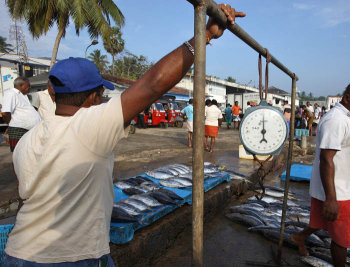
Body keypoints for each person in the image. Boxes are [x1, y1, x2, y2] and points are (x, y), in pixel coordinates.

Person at [4, 5, 245, 266]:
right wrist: (204, 35)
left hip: (18, 251)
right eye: (101, 95)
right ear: (92, 97)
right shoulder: (89, 125)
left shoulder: (28, 139)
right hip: (68, 258)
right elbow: (153, 84)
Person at [291, 81, 350, 267]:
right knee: (342, 239)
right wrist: (331, 198)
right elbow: (326, 159)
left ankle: (298, 237)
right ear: (347, 98)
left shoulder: (349, 116)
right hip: (336, 189)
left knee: (321, 220)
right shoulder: (336, 120)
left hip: (336, 186)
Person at [1, 77, 41, 152]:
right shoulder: (11, 94)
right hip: (18, 130)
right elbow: (5, 113)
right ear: (20, 85)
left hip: (28, 131)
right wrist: (12, 124)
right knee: (18, 155)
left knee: (28, 154)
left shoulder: (22, 96)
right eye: (28, 86)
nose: (29, 88)